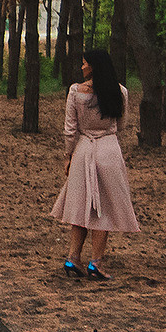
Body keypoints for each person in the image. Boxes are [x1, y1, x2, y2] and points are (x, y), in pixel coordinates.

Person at [52, 47, 139, 279]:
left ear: (93, 66)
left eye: (84, 63)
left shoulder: (75, 92)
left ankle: (73, 258)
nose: (82, 67)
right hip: (109, 150)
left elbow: (70, 130)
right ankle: (96, 263)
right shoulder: (119, 92)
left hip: (83, 150)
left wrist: (68, 156)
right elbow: (122, 125)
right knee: (105, 208)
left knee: (80, 206)